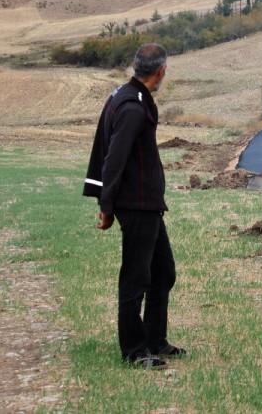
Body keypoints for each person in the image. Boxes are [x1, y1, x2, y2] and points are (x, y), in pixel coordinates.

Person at [82, 43, 183, 368]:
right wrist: (106, 205)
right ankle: (135, 350)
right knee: (136, 277)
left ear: (134, 65)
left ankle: (155, 339)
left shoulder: (124, 95)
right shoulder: (132, 107)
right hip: (136, 203)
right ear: (161, 71)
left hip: (147, 203)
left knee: (162, 272)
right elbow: (113, 158)